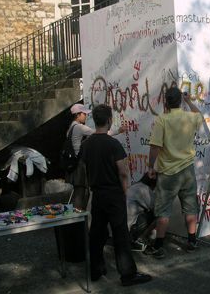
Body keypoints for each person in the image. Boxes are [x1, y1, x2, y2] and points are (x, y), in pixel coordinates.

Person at [79, 104, 152, 287]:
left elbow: (84, 167)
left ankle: (96, 269)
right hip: (113, 194)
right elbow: (123, 171)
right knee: (120, 234)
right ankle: (127, 274)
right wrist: (125, 189)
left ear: (95, 121)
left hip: (97, 194)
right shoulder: (113, 144)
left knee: (97, 232)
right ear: (109, 120)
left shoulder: (87, 144)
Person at [145, 87, 203, 259]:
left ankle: (159, 246)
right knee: (190, 207)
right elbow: (199, 115)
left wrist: (150, 167)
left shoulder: (162, 119)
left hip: (168, 172)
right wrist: (189, 101)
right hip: (187, 170)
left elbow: (155, 146)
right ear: (179, 101)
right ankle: (192, 241)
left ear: (166, 102)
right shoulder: (189, 117)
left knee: (163, 210)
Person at [65, 103, 125, 209]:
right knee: (80, 192)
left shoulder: (71, 127)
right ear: (78, 115)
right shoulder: (79, 127)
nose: (86, 116)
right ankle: (79, 219)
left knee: (78, 191)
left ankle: (77, 217)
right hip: (80, 163)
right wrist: (118, 131)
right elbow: (99, 133)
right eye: (84, 114)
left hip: (73, 164)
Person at [126, 171, 156, 252]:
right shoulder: (145, 190)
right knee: (160, 215)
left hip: (118, 228)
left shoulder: (135, 186)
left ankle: (137, 237)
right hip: (128, 229)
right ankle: (140, 238)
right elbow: (156, 210)